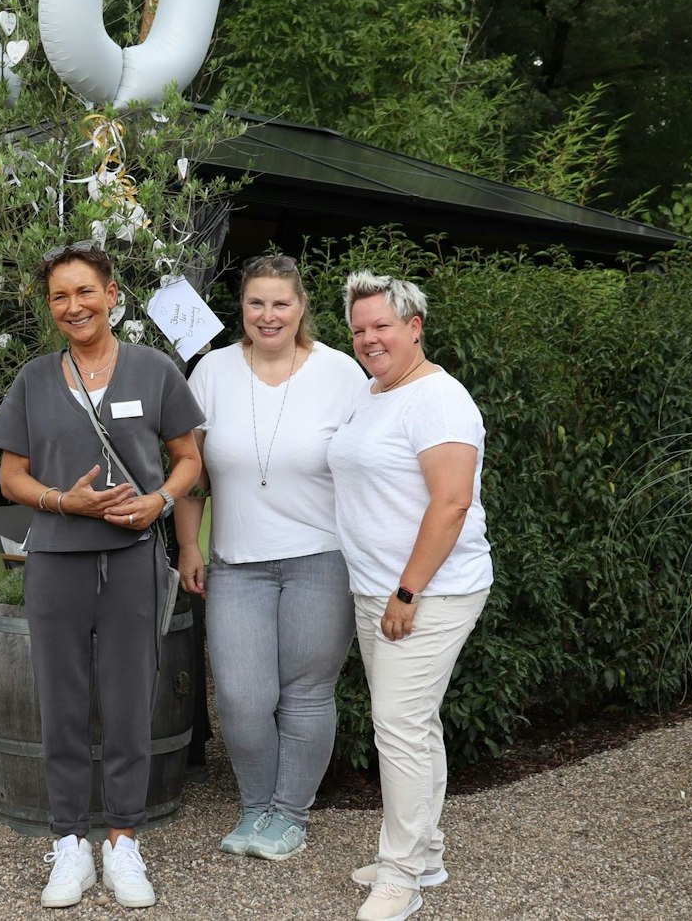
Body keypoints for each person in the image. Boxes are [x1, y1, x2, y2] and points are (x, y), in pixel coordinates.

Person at [0, 243, 203, 910]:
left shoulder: (155, 370)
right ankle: (69, 844)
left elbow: (189, 458)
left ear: (113, 294)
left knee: (130, 699)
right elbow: (11, 474)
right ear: (50, 307)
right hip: (56, 557)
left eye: (85, 291)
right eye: (60, 296)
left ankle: (122, 840)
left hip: (133, 559)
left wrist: (160, 500)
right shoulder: (34, 379)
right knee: (62, 703)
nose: (74, 305)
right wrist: (63, 500)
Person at [174, 255, 369, 861]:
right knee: (239, 694)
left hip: (321, 558)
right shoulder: (211, 371)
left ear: (301, 307)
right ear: (243, 308)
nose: (268, 315)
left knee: (306, 692)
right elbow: (188, 470)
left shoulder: (341, 373)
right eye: (257, 303)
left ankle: (290, 815)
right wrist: (189, 545)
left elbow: (375, 465)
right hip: (236, 561)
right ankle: (256, 806)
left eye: (280, 303)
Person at [326, 271, 493, 921]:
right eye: (360, 327)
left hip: (429, 592)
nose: (370, 338)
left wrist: (407, 590)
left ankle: (401, 876)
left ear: (414, 326)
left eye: (382, 326)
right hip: (379, 589)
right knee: (411, 723)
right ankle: (427, 851)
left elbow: (451, 503)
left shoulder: (438, 399)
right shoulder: (374, 393)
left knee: (397, 728)